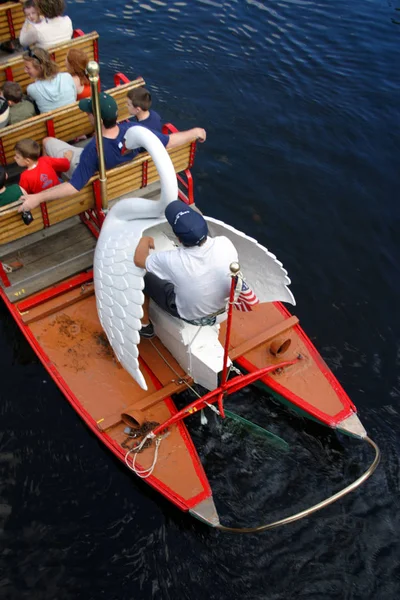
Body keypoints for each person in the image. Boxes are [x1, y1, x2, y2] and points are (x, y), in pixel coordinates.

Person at [18, 92, 206, 212]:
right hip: (123, 176)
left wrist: (37, 198)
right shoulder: (132, 130)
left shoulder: (94, 150)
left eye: (89, 113)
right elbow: (170, 141)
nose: (87, 115)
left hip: (86, 168)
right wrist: (195, 132)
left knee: (48, 141)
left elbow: (74, 186)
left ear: (98, 119)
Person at [133, 200, 238, 338]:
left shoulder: (173, 260)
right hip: (224, 310)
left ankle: (144, 325)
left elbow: (139, 260)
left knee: (143, 275)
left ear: (178, 238)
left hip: (191, 316)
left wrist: (144, 239)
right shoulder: (225, 243)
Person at [24, 47, 77, 113]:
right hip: (74, 119)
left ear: (39, 67)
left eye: (28, 68)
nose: (25, 71)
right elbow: (74, 97)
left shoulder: (31, 89)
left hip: (52, 123)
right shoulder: (67, 76)